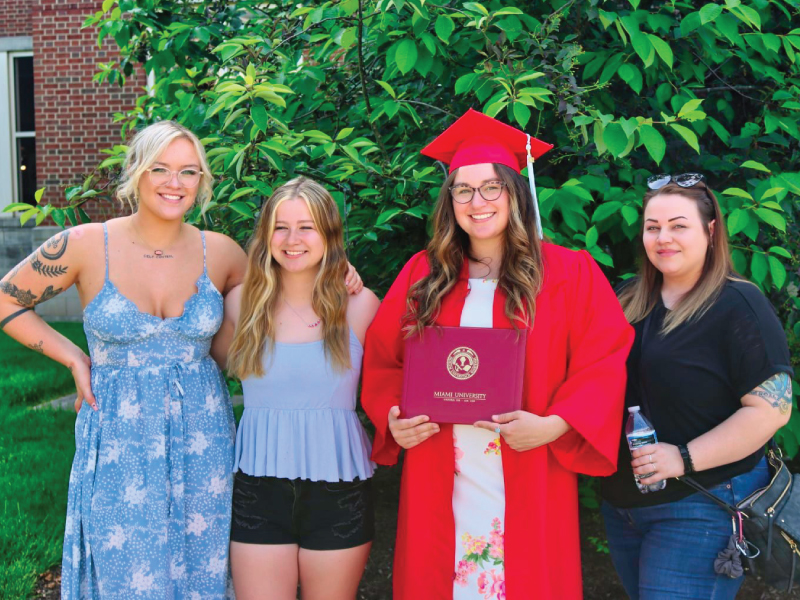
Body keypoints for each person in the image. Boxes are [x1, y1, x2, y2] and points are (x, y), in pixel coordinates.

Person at [0, 121, 362, 599]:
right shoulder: (87, 244)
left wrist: (337, 269)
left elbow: (289, 276)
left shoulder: (222, 253)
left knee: (202, 569)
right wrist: (74, 358)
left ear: (202, 182)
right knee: (125, 573)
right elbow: (8, 301)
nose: (175, 183)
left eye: (189, 172)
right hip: (118, 439)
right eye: (161, 169)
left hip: (203, 438)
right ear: (134, 172)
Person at [360, 109, 635, 600]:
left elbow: (604, 357)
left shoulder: (568, 273)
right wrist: (393, 417)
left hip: (528, 465)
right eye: (462, 190)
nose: (476, 201)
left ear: (516, 193)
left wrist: (556, 424)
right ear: (450, 201)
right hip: (440, 468)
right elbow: (383, 360)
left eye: (491, 188)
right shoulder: (423, 275)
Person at [600, 173, 794, 599]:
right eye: (653, 227)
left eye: (678, 225)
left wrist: (683, 458)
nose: (663, 237)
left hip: (703, 502)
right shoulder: (628, 300)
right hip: (624, 505)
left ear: (710, 231)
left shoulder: (738, 305)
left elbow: (771, 410)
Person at [210, 177, 380, 600]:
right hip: (258, 487)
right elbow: (197, 365)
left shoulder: (360, 306)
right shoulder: (239, 306)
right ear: (266, 235)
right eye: (280, 227)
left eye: (307, 226)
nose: (292, 239)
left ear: (329, 234)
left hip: (338, 488)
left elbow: (392, 386)